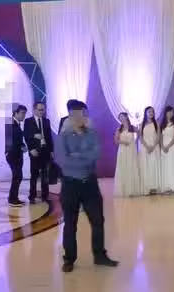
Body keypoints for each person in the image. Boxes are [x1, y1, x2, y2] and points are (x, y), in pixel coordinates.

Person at [56, 100, 118, 273]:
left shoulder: (92, 134)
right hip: (70, 185)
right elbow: (62, 160)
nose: (80, 117)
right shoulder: (63, 136)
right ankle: (69, 259)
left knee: (98, 220)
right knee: (70, 223)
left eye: (83, 114)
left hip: (90, 184)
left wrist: (76, 156)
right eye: (76, 114)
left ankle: (100, 255)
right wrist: (83, 157)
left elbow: (96, 154)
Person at [24, 101, 54, 203]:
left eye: (43, 110)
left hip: (45, 150)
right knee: (34, 174)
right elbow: (26, 135)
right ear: (34, 110)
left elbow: (49, 137)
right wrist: (31, 148)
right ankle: (32, 196)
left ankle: (45, 196)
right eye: (40, 110)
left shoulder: (46, 121)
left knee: (45, 175)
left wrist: (51, 150)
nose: (42, 112)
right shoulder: (28, 121)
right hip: (35, 151)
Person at [113, 113, 141, 197]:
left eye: (122, 116)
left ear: (126, 117)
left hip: (131, 150)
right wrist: (123, 142)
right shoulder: (119, 129)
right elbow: (116, 141)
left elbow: (139, 132)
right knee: (123, 167)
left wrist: (136, 140)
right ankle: (124, 189)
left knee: (131, 166)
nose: (121, 118)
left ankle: (132, 190)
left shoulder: (132, 127)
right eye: (120, 117)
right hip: (123, 150)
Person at [5, 105, 27, 207]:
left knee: (18, 176)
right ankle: (12, 198)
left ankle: (14, 197)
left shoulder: (16, 124)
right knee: (17, 176)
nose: (24, 115)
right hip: (13, 155)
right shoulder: (10, 124)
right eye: (22, 113)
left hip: (17, 155)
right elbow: (11, 142)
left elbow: (18, 140)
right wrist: (21, 147)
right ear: (16, 113)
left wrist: (23, 145)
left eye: (25, 113)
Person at [139, 106, 161, 195]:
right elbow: (140, 137)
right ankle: (147, 188)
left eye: (152, 111)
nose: (151, 113)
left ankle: (154, 187)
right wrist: (147, 146)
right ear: (145, 113)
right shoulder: (142, 124)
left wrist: (153, 146)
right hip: (145, 147)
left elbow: (158, 136)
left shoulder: (156, 123)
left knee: (153, 167)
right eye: (149, 112)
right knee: (146, 167)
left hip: (154, 147)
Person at [159, 106, 174, 194]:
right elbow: (160, 137)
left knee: (173, 165)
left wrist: (168, 146)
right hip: (164, 147)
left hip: (172, 147)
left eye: (172, 112)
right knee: (166, 166)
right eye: (169, 112)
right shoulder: (162, 125)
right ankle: (166, 187)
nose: (170, 114)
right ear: (165, 113)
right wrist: (162, 146)